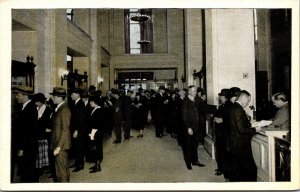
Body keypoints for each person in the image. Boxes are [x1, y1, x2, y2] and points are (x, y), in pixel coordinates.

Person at [228, 90, 260, 181]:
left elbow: (236, 125)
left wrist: (248, 124)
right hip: (241, 145)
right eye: (248, 100)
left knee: (237, 170)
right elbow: (241, 129)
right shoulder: (239, 109)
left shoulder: (232, 107)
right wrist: (255, 129)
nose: (248, 103)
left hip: (234, 144)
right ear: (244, 98)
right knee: (251, 169)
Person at [13, 86, 39, 182]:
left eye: (18, 95)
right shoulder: (25, 107)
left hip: (27, 147)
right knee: (26, 171)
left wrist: (22, 148)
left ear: (25, 96)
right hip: (26, 146)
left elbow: (28, 132)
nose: (16, 97)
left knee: (28, 173)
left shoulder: (30, 109)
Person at [49, 87, 71, 182]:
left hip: (60, 145)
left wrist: (58, 147)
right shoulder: (59, 108)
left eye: (53, 96)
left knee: (61, 171)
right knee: (61, 169)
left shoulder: (64, 110)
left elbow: (65, 130)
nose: (52, 98)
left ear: (59, 97)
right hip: (58, 143)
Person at [181, 85, 205, 170]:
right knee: (187, 146)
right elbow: (184, 116)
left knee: (194, 145)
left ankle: (195, 161)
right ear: (189, 91)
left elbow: (204, 107)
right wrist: (188, 127)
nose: (196, 92)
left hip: (197, 127)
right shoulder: (185, 101)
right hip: (189, 127)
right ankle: (188, 163)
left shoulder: (197, 99)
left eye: (196, 91)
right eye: (194, 91)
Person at [33, 93, 52, 176]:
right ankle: (38, 168)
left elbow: (50, 123)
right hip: (37, 133)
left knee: (43, 152)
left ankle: (42, 168)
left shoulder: (48, 110)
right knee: (38, 153)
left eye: (36, 102)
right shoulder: (35, 109)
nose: (35, 103)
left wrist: (45, 128)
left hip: (44, 134)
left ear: (40, 102)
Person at [69, 88, 87, 172]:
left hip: (79, 130)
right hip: (74, 129)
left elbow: (81, 119)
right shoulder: (75, 103)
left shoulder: (80, 104)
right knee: (75, 147)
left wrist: (76, 130)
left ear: (77, 95)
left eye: (72, 94)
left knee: (79, 147)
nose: (71, 96)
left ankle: (80, 165)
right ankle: (77, 162)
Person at [213, 89, 230, 176]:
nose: (220, 98)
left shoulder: (229, 106)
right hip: (219, 133)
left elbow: (230, 119)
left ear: (226, 97)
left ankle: (223, 169)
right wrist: (216, 118)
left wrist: (222, 119)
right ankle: (221, 168)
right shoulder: (222, 105)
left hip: (224, 134)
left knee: (223, 152)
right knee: (219, 151)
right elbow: (216, 114)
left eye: (222, 97)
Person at [87, 96, 104, 173]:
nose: (90, 103)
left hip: (96, 133)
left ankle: (98, 166)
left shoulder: (99, 110)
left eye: (91, 101)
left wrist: (92, 134)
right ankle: (96, 164)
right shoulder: (95, 109)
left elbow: (96, 124)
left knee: (96, 148)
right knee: (95, 148)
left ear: (95, 102)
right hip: (94, 132)